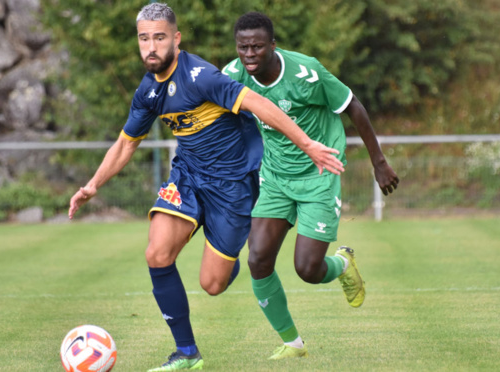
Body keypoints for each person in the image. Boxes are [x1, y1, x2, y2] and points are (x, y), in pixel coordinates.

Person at [68, 4, 345, 371]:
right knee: (157, 253)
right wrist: (92, 185)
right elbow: (126, 143)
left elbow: (260, 104)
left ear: (176, 39)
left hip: (232, 188)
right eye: (144, 38)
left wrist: (308, 145)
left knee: (212, 284)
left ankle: (224, 258)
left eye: (160, 37)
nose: (151, 46)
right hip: (187, 178)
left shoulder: (201, 76)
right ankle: (186, 353)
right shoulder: (149, 90)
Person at [223, 12, 400, 360]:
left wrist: (379, 162)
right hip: (274, 177)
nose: (249, 54)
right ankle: (292, 343)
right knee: (257, 259)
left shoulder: (307, 72)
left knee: (307, 269)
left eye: (257, 46)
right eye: (243, 47)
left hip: (318, 176)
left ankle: (342, 265)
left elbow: (354, 107)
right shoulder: (234, 74)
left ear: (273, 46)